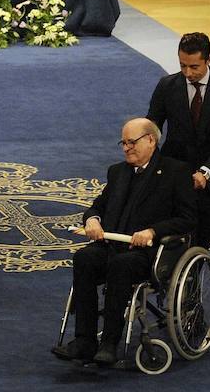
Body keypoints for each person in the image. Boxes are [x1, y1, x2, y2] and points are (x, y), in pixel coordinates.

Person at [51, 118, 196, 367]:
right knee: (84, 258)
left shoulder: (176, 172)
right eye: (123, 143)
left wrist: (153, 231)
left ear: (150, 140)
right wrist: (92, 220)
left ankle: (109, 343)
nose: (126, 148)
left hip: (148, 253)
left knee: (121, 265)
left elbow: (187, 219)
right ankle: (85, 340)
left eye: (131, 142)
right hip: (112, 245)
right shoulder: (118, 172)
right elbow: (98, 206)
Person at [146, 32, 210, 249]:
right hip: (174, 174)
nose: (188, 73)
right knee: (170, 241)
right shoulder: (167, 85)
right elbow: (153, 127)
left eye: (194, 67)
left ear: (209, 60)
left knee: (200, 244)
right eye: (182, 65)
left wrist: (206, 171)